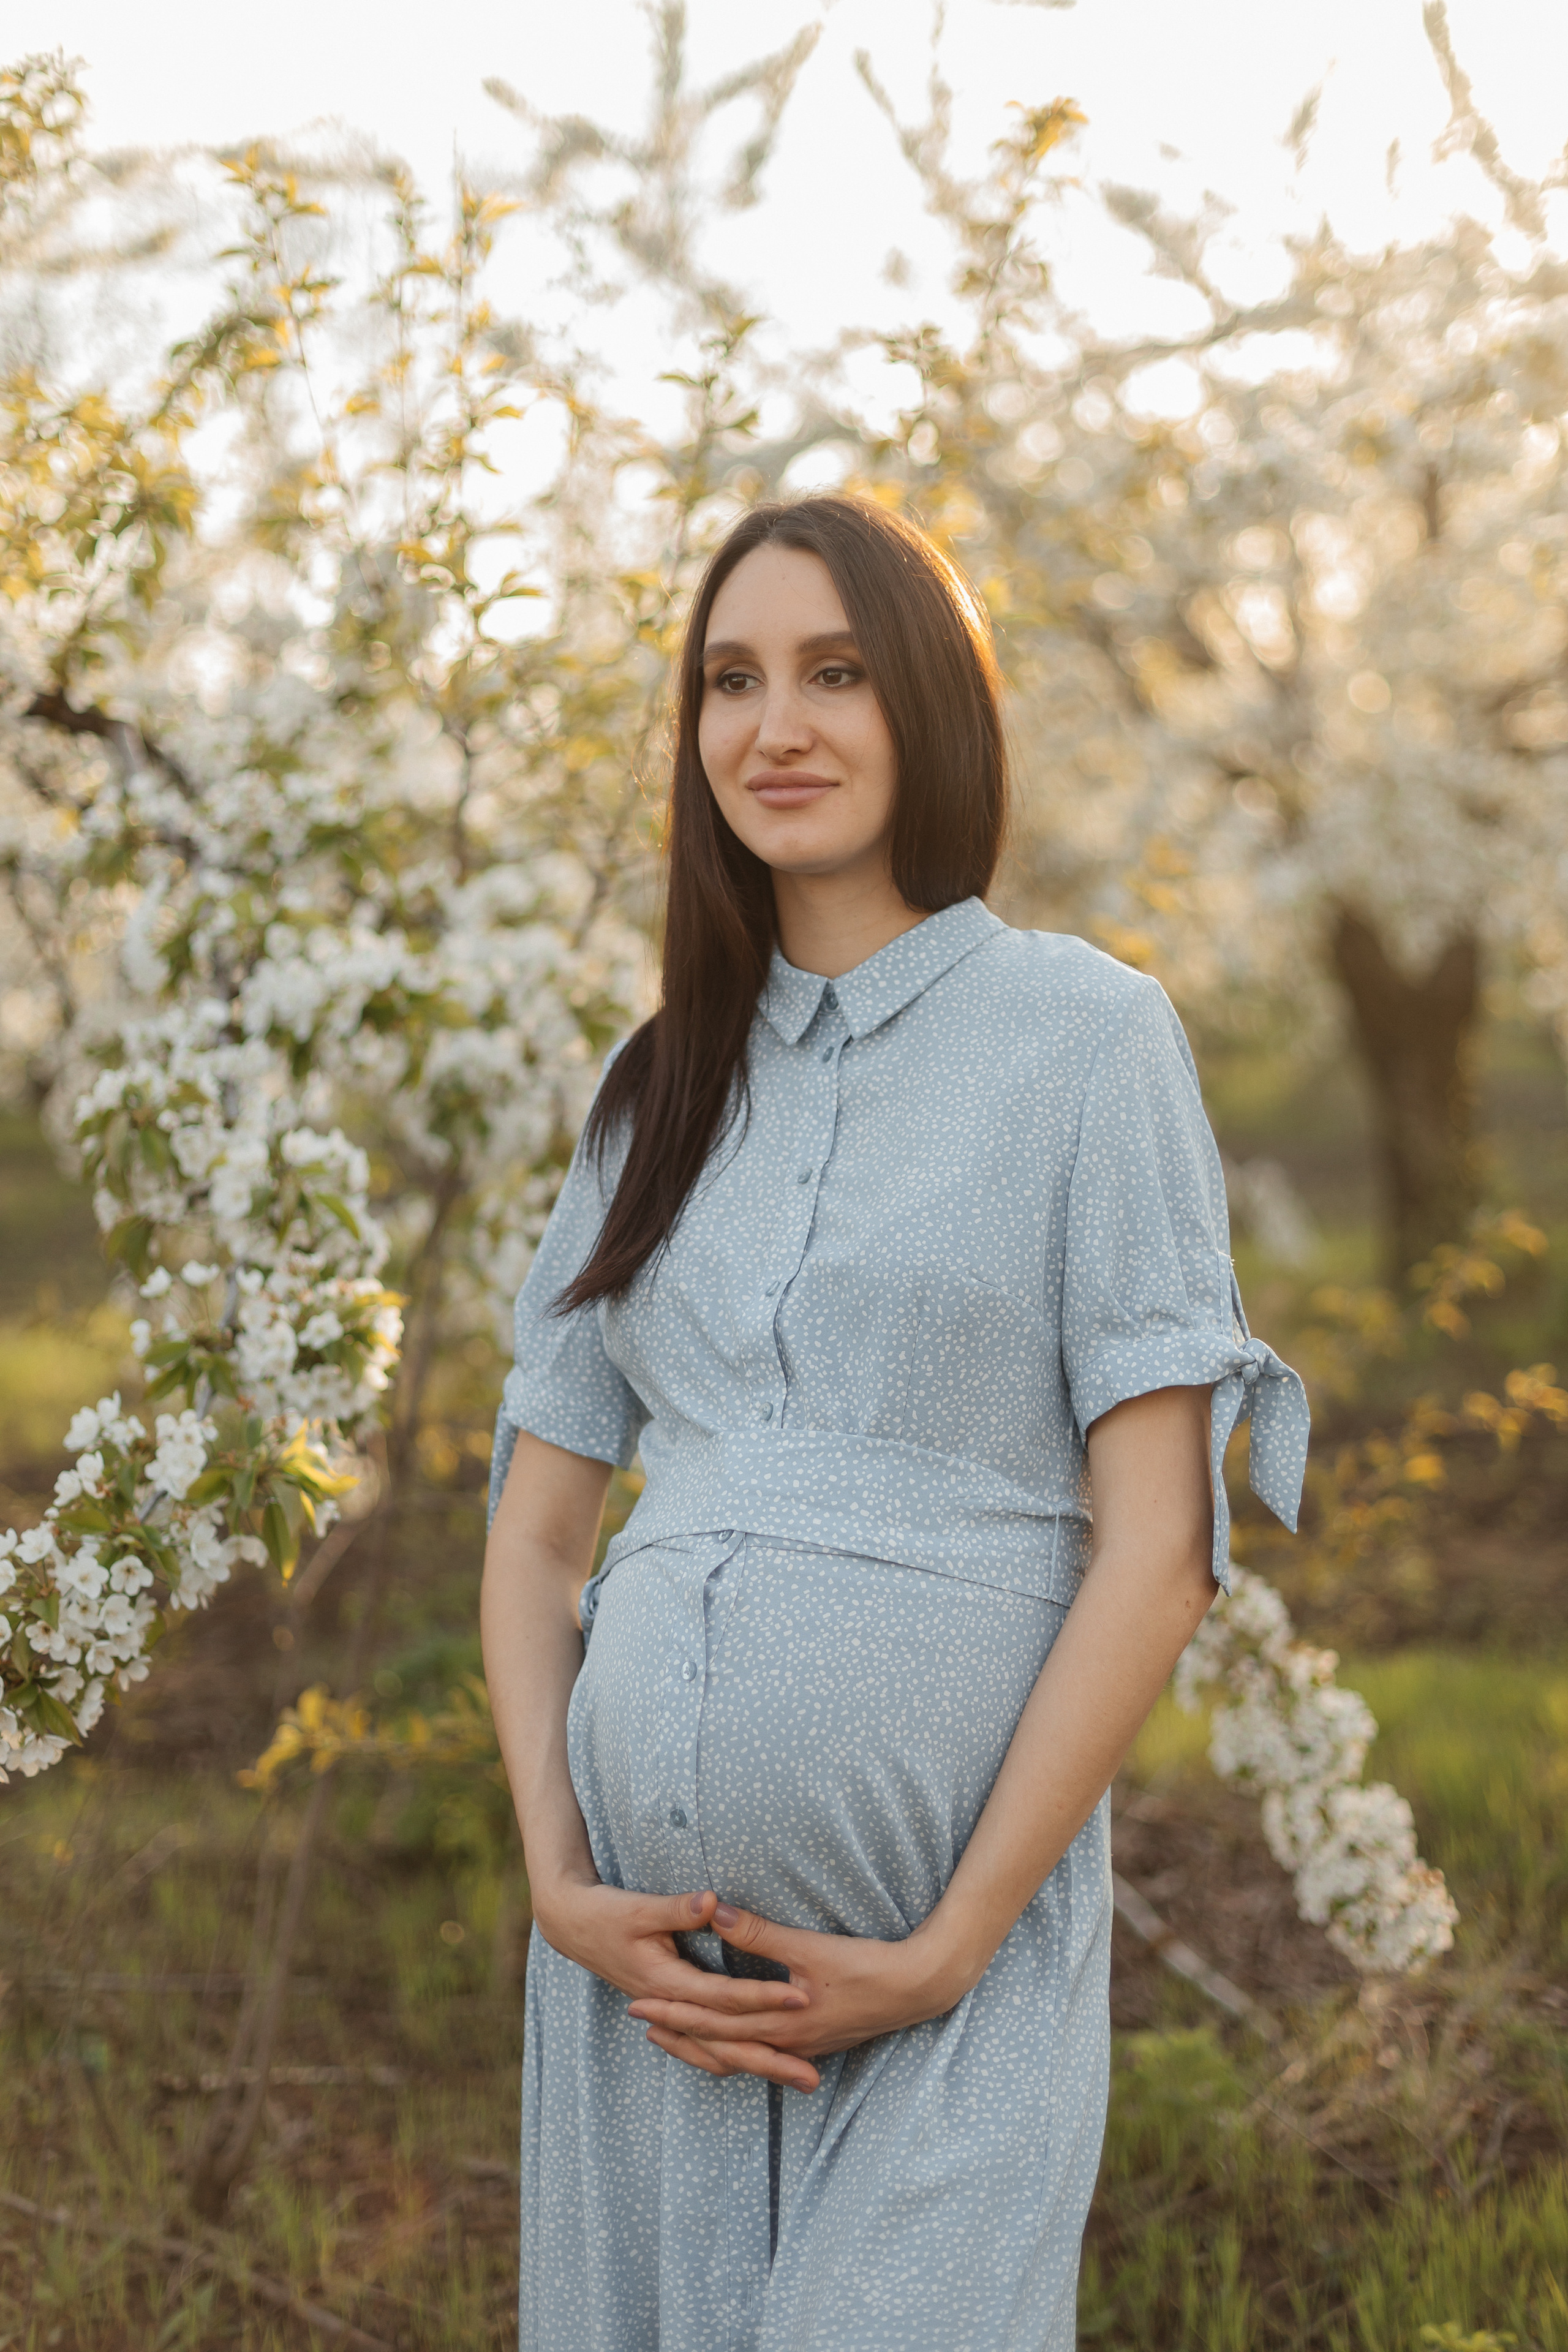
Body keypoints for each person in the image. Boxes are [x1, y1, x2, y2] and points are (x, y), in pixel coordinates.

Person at [480, 492, 1308, 2351]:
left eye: (834, 674)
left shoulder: (1087, 1041)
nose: (776, 727)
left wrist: (943, 1950)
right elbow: (538, 1534)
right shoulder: (654, 1090)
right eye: (731, 681)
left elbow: (1159, 1551)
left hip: (946, 1976)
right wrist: (556, 1877)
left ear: (928, 703)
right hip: (643, 1993)